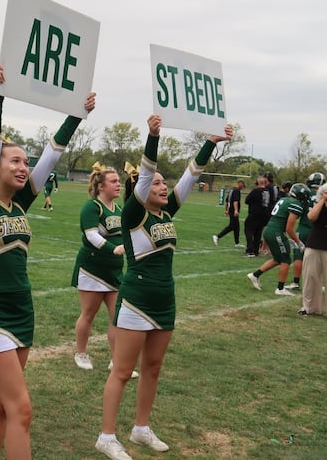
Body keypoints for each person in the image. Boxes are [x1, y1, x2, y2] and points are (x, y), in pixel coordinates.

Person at [0, 65, 95, 459]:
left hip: (23, 310)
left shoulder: (20, 203)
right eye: (15, 161)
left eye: (25, 162)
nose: (23, 167)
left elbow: (52, 155)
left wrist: (76, 115)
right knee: (21, 410)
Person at [95, 114, 232, 460]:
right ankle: (107, 436)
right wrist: (153, 136)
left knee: (153, 368)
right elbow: (144, 174)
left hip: (165, 299)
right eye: (155, 183)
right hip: (137, 298)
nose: (161, 186)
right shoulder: (133, 215)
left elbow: (191, 175)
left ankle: (141, 428)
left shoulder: (166, 214)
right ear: (141, 190)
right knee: (124, 371)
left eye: (162, 183)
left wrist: (211, 143)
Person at [71, 162, 138, 379]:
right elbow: (91, 235)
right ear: (101, 186)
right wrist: (113, 249)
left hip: (114, 271)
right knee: (88, 314)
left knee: (117, 317)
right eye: (114, 181)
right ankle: (81, 354)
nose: (118, 185)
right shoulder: (92, 207)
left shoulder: (118, 209)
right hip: (92, 268)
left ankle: (116, 360)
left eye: (119, 181)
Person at [246, 183, 310, 296]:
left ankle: (255, 275)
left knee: (277, 259)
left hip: (270, 230)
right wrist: (298, 242)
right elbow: (289, 228)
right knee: (286, 260)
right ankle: (280, 288)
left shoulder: (285, 200)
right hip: (276, 232)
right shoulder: (295, 204)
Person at [300, 180, 327, 319]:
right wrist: (323, 200)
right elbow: (311, 217)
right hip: (314, 243)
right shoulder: (318, 204)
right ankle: (309, 307)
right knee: (310, 276)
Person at [213, 179, 245, 247]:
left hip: (230, 210)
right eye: (242, 185)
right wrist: (236, 210)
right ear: (239, 183)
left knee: (236, 227)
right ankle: (217, 236)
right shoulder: (236, 191)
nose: (243, 187)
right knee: (232, 226)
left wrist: (226, 210)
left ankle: (237, 243)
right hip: (233, 211)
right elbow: (235, 201)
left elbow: (227, 201)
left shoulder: (232, 190)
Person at [243, 177, 269, 258]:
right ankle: (256, 250)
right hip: (264, 214)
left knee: (248, 230)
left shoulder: (256, 191)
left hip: (254, 213)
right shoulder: (267, 192)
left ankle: (250, 250)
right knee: (258, 233)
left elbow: (247, 200)